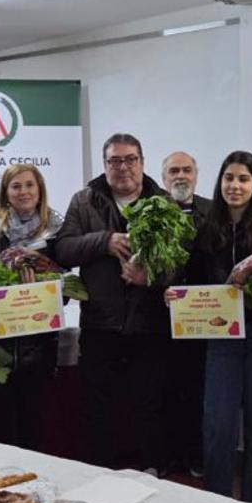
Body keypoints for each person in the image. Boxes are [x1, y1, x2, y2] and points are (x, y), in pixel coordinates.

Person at [171, 151, 252, 503]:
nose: (235, 186)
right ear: (219, 182)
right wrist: (175, 295)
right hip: (221, 339)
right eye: (229, 178)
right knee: (218, 426)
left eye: (243, 179)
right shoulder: (204, 230)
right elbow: (190, 282)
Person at [54, 133, 170, 472]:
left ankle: (150, 470)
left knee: (150, 403)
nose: (123, 167)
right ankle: (99, 471)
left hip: (149, 323)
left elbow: (180, 264)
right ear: (105, 165)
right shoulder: (84, 200)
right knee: (98, 405)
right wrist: (104, 241)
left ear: (142, 163)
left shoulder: (162, 203)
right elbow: (64, 249)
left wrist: (151, 278)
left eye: (130, 159)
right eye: (115, 161)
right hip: (100, 322)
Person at [0, 164, 64, 450]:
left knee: (35, 420)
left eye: (29, 185)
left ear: (39, 189)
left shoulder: (57, 229)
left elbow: (65, 279)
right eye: (16, 186)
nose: (24, 192)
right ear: (6, 191)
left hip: (39, 343)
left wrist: (49, 279)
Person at [160, 150, 210, 476]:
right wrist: (159, 287)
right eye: (174, 171)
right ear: (164, 179)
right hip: (161, 321)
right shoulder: (151, 211)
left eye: (186, 170)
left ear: (196, 174)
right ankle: (169, 456)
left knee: (200, 392)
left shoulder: (214, 211)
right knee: (165, 391)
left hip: (205, 318)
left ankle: (196, 455)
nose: (181, 176)